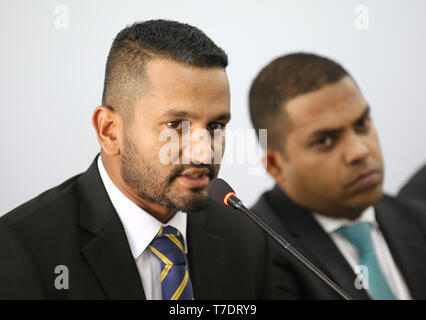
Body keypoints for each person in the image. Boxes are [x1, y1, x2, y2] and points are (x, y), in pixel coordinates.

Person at [0, 20, 272, 300]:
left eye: (215, 127)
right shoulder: (20, 250)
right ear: (110, 131)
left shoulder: (247, 240)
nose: (203, 153)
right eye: (176, 125)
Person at [249, 53, 426, 300]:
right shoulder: (254, 256)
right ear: (275, 165)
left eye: (362, 124)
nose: (360, 151)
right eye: (325, 140)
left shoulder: (417, 219)